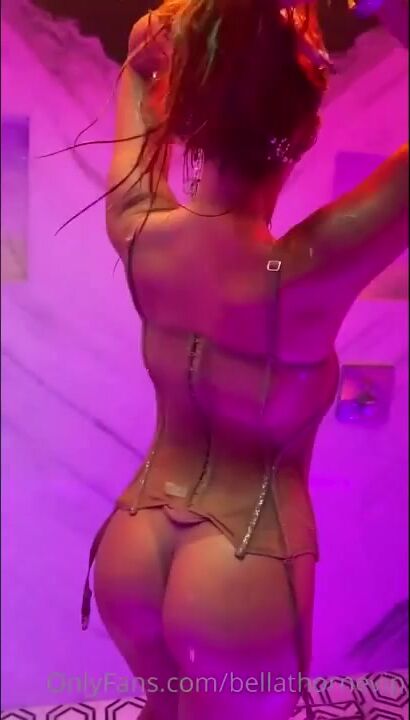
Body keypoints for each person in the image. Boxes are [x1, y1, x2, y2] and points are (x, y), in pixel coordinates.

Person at [80, 3, 408, 719]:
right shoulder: (305, 273)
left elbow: (137, 73)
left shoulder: (140, 231)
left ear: (186, 115)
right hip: (241, 560)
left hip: (132, 542)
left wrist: (145, 63)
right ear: (305, 130)